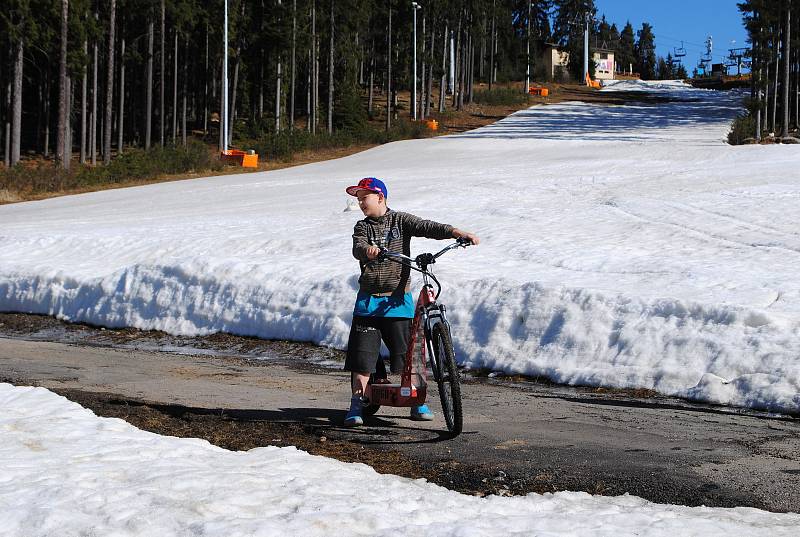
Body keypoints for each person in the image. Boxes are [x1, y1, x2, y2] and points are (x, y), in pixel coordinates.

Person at [342, 177, 479, 427]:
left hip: (398, 302)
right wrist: (367, 251)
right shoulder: (362, 227)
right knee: (362, 359)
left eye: (365, 197)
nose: (361, 202)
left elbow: (426, 226)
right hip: (368, 303)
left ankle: (417, 401)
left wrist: (456, 233)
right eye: (358, 198)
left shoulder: (401, 221)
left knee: (408, 356)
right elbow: (357, 247)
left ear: (380, 197)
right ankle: (356, 404)